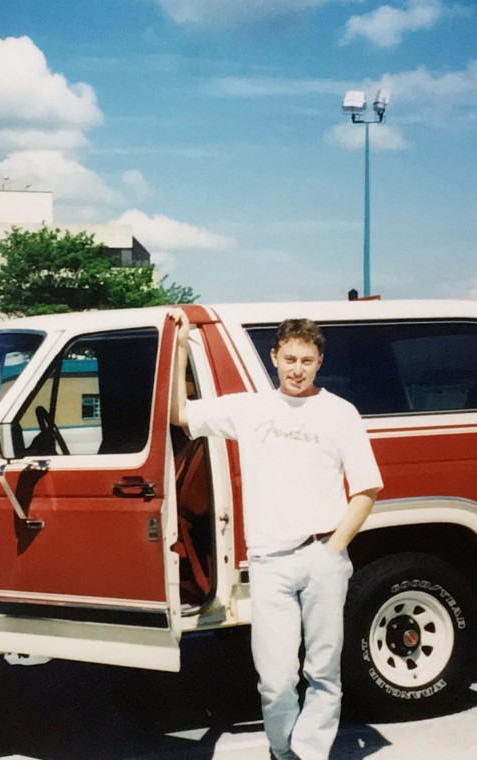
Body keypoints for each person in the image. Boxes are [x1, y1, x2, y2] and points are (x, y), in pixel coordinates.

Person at [169, 309, 382, 760]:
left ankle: (309, 753)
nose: (297, 369)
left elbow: (366, 489)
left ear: (319, 360)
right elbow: (180, 413)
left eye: (306, 360)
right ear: (274, 357)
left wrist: (334, 548)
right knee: (276, 677)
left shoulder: (340, 413)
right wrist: (181, 346)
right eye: (289, 359)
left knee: (324, 671)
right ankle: (283, 750)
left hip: (324, 556)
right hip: (269, 564)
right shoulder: (249, 409)